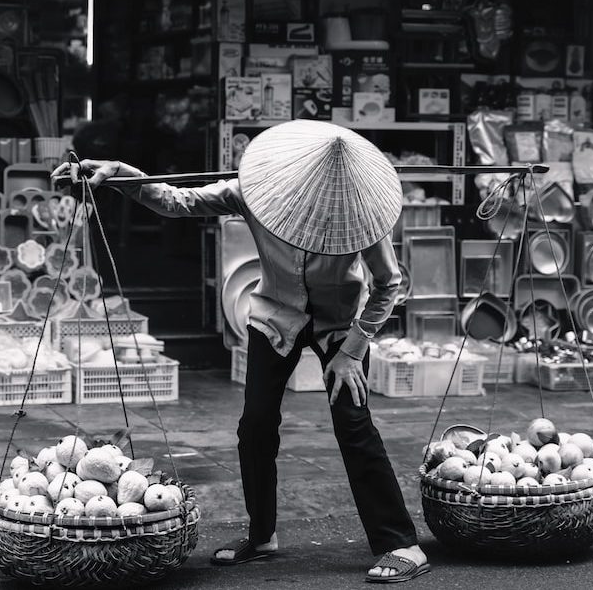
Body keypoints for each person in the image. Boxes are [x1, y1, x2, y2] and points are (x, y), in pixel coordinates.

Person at [53, 120, 429, 583]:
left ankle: (401, 544)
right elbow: (176, 201)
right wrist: (119, 172)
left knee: (354, 427)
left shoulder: (357, 212)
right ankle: (262, 535)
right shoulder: (257, 192)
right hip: (274, 317)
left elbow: (388, 284)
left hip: (339, 328)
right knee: (254, 427)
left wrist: (353, 349)